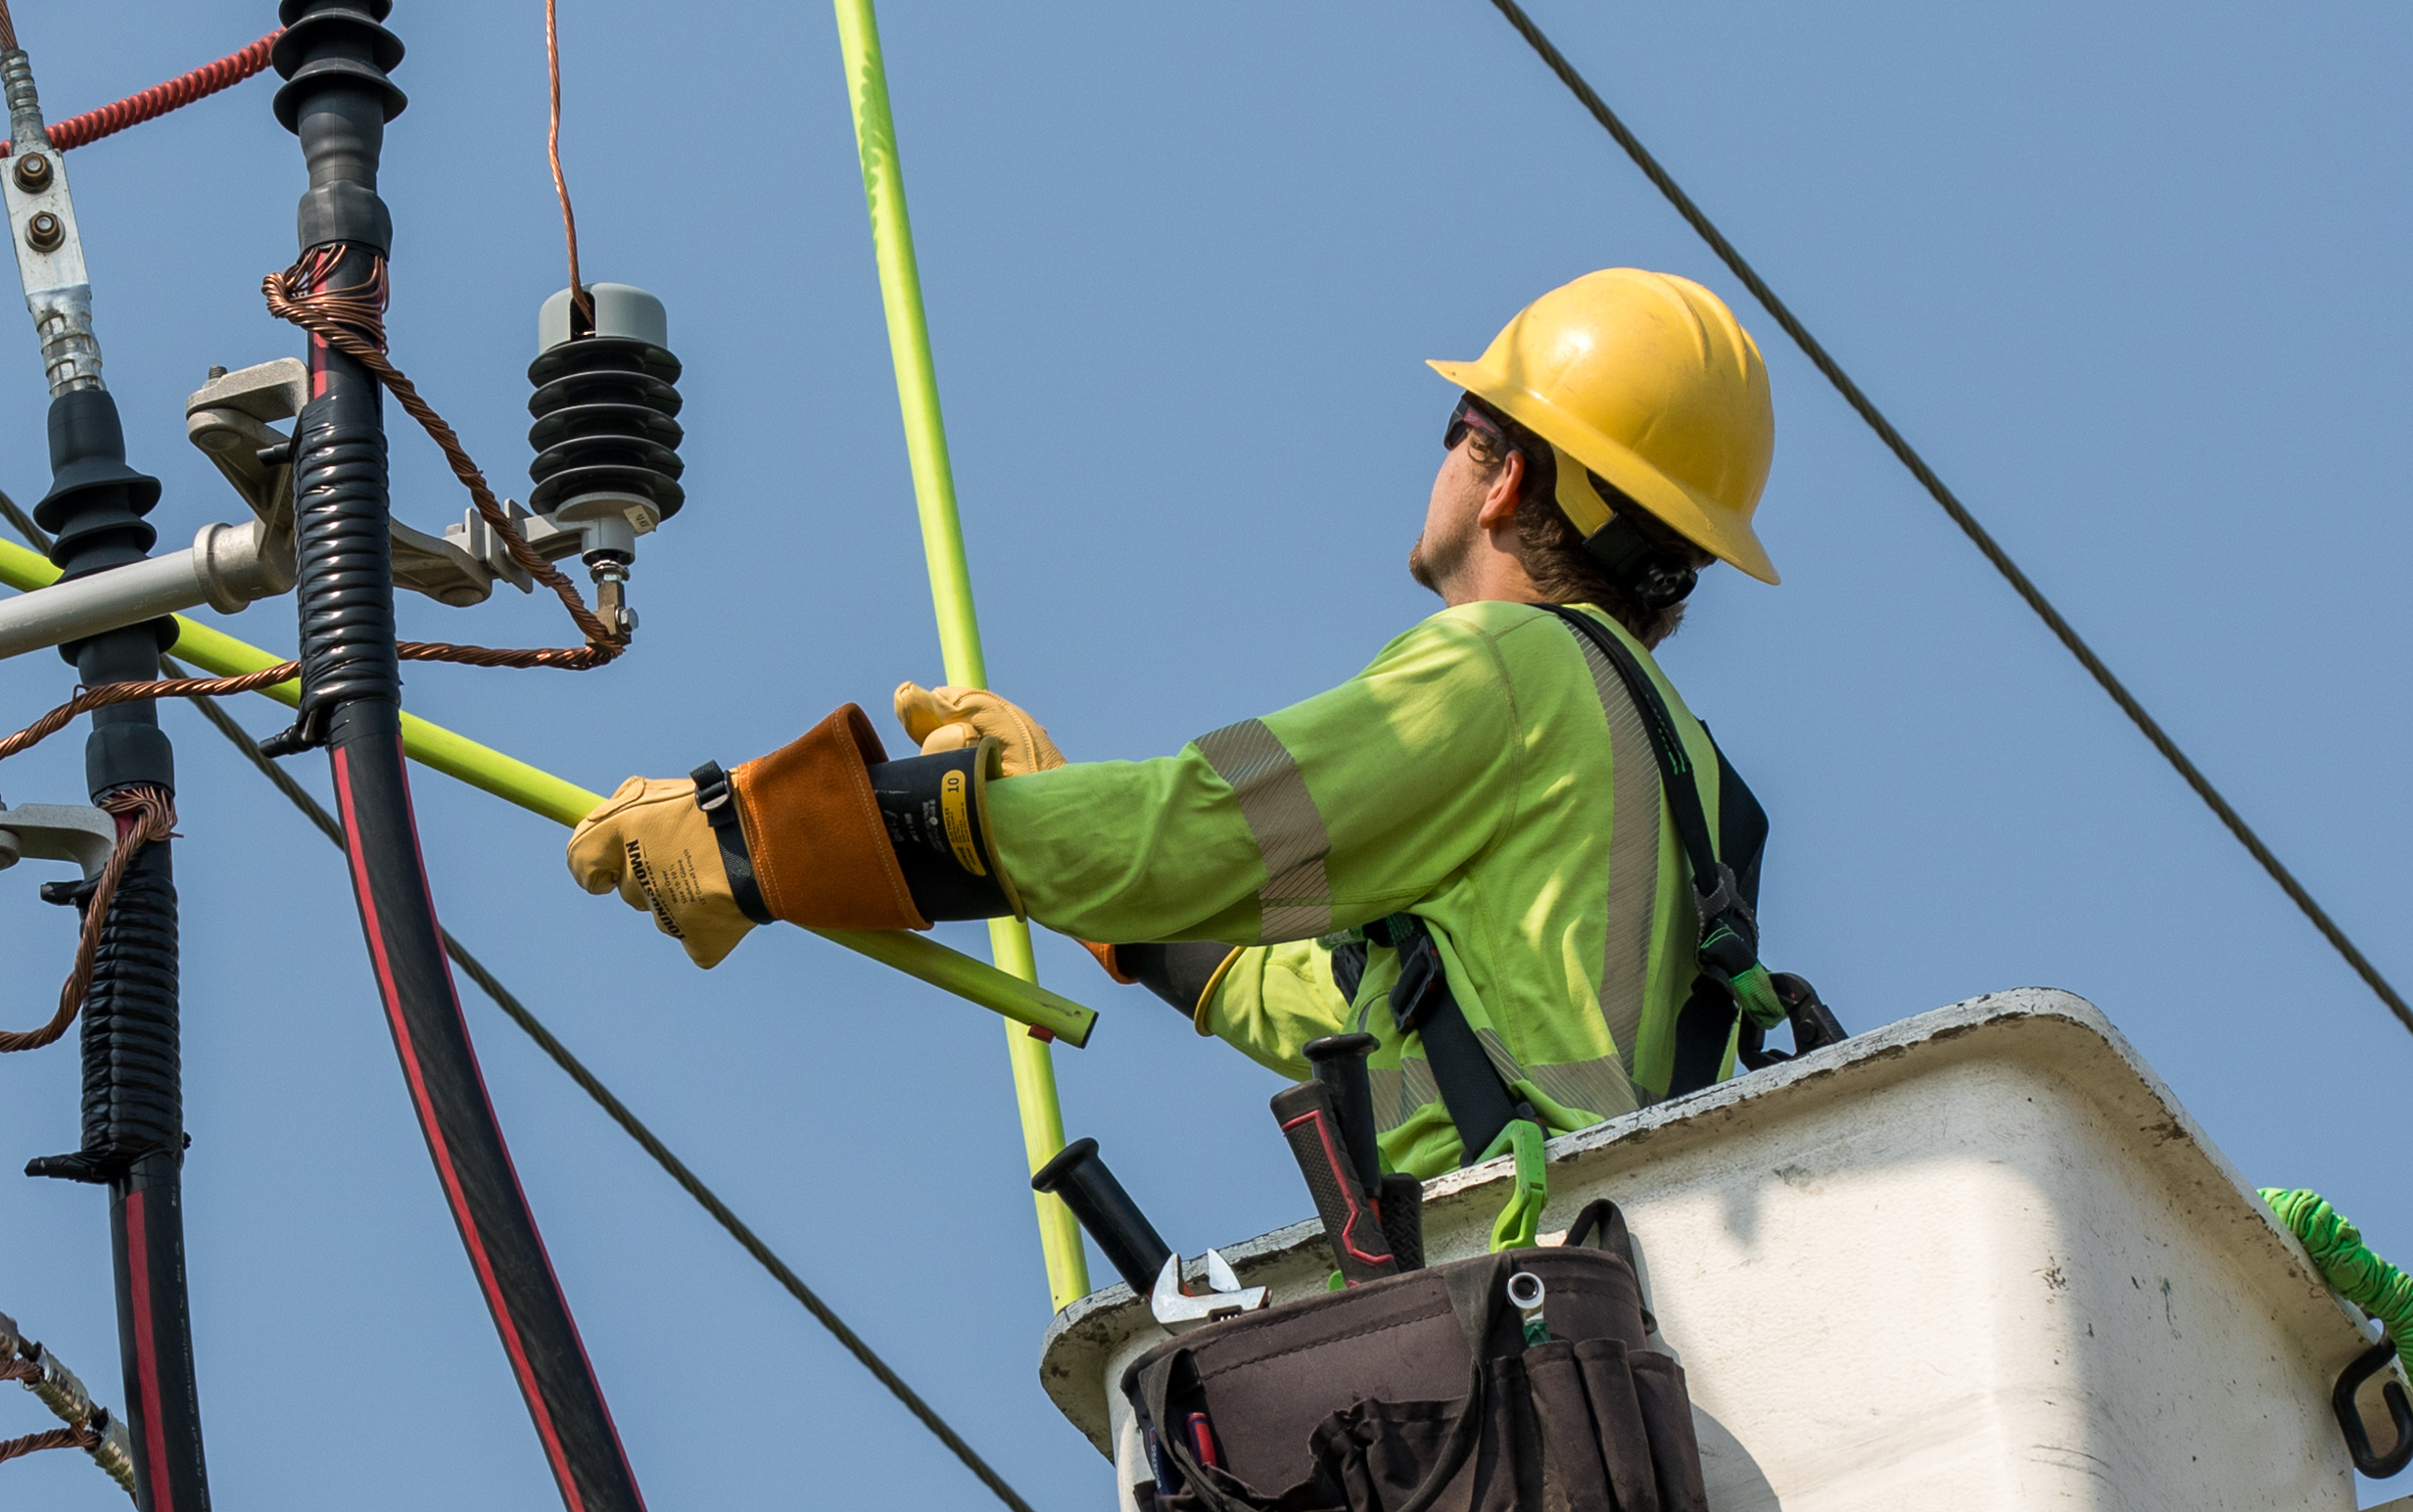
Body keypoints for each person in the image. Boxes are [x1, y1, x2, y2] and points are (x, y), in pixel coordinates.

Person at [565, 269, 1832, 1233]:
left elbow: (1201, 831)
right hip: (1600, 1290)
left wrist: (770, 837)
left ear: (1505, 479)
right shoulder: (1680, 767)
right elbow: (1383, 1023)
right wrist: (1085, 859)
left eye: (1464, 421)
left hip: (1510, 1279)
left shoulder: (1504, 672)